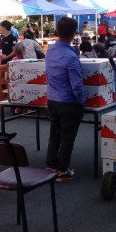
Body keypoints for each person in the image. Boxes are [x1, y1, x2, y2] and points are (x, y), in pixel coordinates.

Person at [45, 17, 85, 182]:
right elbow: (76, 84)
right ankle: (62, 170)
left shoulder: (50, 51)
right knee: (68, 137)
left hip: (52, 99)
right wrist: (81, 101)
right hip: (68, 102)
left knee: (54, 134)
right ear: (74, 34)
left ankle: (50, 165)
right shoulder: (70, 56)